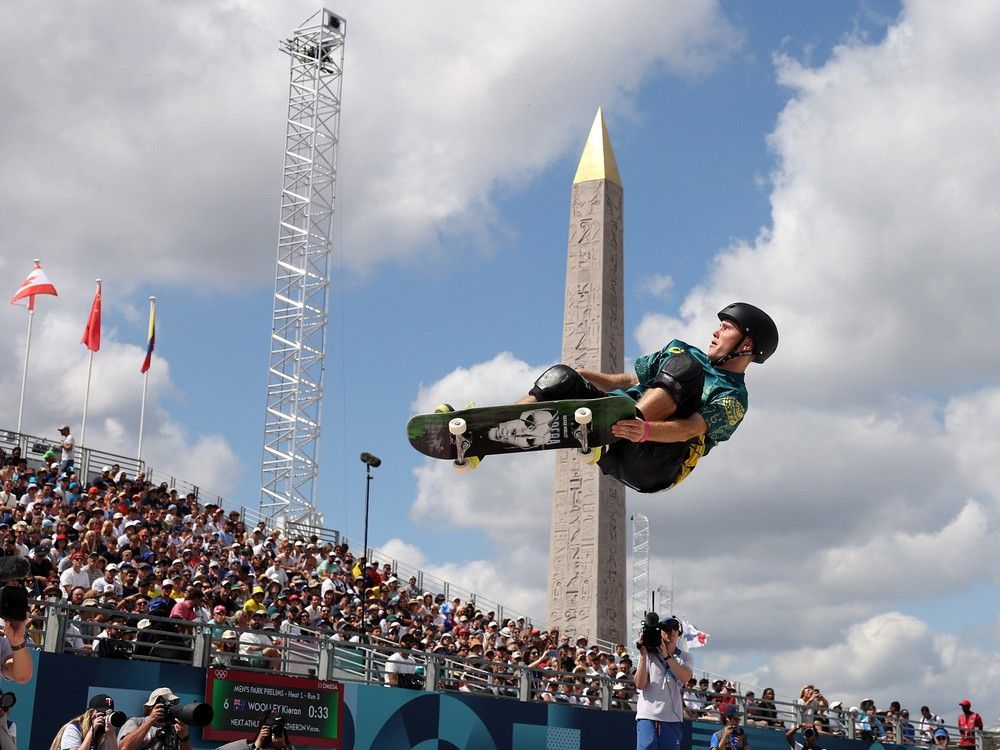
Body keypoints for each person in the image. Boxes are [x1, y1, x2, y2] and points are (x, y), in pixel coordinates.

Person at [455, 303, 778, 493]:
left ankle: (617, 425)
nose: (715, 332)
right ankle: (484, 435)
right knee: (562, 376)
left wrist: (645, 430)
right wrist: (581, 377)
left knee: (687, 369)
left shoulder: (733, 396)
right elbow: (625, 380)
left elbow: (690, 429)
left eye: (725, 328)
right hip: (616, 448)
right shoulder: (681, 350)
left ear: (746, 345)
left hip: (656, 462)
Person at [634, 615, 693, 750]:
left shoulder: (685, 657)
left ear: (679, 632)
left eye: (675, 628)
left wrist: (666, 655)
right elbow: (640, 684)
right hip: (647, 715)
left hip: (672, 718)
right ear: (659, 631)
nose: (671, 631)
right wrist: (643, 654)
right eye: (666, 628)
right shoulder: (648, 654)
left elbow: (685, 678)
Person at [118, 688, 192, 750]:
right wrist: (150, 721)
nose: (166, 710)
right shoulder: (136, 722)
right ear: (151, 707)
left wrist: (184, 738)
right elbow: (124, 748)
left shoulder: (175, 728)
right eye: (163, 706)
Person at [51, 694, 120, 750]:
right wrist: (91, 731)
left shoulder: (104, 732)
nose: (104, 716)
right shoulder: (73, 728)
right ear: (90, 712)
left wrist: (111, 733)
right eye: (100, 712)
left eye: (108, 713)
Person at [215, 711, 292, 750]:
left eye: (280, 730)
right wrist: (260, 741)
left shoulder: (285, 746)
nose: (277, 734)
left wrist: (285, 745)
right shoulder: (240, 747)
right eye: (273, 730)